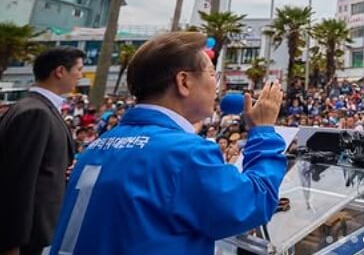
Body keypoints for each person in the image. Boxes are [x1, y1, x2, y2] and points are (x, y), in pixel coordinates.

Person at [48, 32, 287, 255]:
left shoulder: (99, 146)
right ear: (183, 81)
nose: (217, 85)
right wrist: (263, 130)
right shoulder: (184, 154)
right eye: (213, 74)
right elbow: (254, 202)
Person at [0, 47, 84, 255]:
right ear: (60, 71)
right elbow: (18, 182)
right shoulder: (35, 113)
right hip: (26, 237)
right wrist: (11, 243)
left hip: (35, 232)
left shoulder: (36, 108)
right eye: (78, 69)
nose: (80, 76)